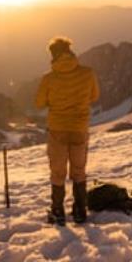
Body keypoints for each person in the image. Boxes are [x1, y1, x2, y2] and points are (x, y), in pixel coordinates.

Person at [35, 36, 100, 224]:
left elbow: (39, 103)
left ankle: (58, 211)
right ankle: (80, 210)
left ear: (53, 55)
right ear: (70, 52)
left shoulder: (49, 78)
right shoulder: (88, 73)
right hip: (80, 127)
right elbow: (94, 96)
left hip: (57, 129)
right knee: (79, 170)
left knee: (58, 172)